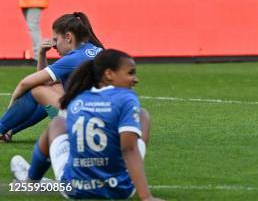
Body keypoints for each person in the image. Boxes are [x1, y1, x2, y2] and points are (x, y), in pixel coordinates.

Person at [9, 49, 162, 201]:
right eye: (130, 73)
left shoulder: (79, 99)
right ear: (109, 74)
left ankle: (31, 182)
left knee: (57, 124)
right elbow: (128, 149)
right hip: (119, 189)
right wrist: (146, 197)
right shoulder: (127, 98)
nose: (135, 79)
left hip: (74, 190)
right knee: (143, 115)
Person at [0, 12, 103, 143]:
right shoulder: (95, 49)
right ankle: (8, 132)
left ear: (68, 37)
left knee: (37, 91)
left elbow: (25, 84)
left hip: (83, 121)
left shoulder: (72, 59)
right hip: (100, 117)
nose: (53, 45)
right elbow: (46, 81)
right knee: (52, 86)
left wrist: (9, 110)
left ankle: (1, 128)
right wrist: (42, 54)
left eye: (55, 39)